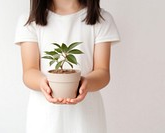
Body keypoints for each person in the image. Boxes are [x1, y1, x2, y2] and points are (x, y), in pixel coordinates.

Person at [14, 0, 120, 132]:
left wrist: (85, 83)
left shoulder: (101, 19)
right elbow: (29, 71)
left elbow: (103, 71)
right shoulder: (29, 20)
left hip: (86, 119)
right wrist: (43, 83)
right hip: (44, 119)